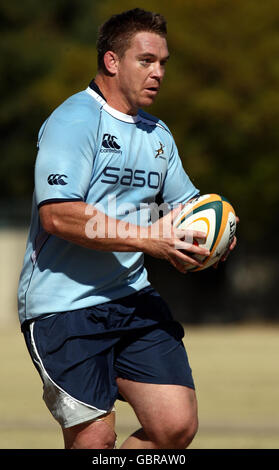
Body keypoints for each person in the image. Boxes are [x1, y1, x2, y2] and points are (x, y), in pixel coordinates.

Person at [18, 8, 236, 449]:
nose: (158, 73)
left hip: (130, 298)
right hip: (64, 308)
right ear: (112, 61)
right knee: (95, 441)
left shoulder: (157, 135)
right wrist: (149, 238)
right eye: (146, 60)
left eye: (163, 63)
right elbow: (58, 215)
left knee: (174, 426)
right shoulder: (74, 121)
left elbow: (188, 206)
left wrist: (217, 232)